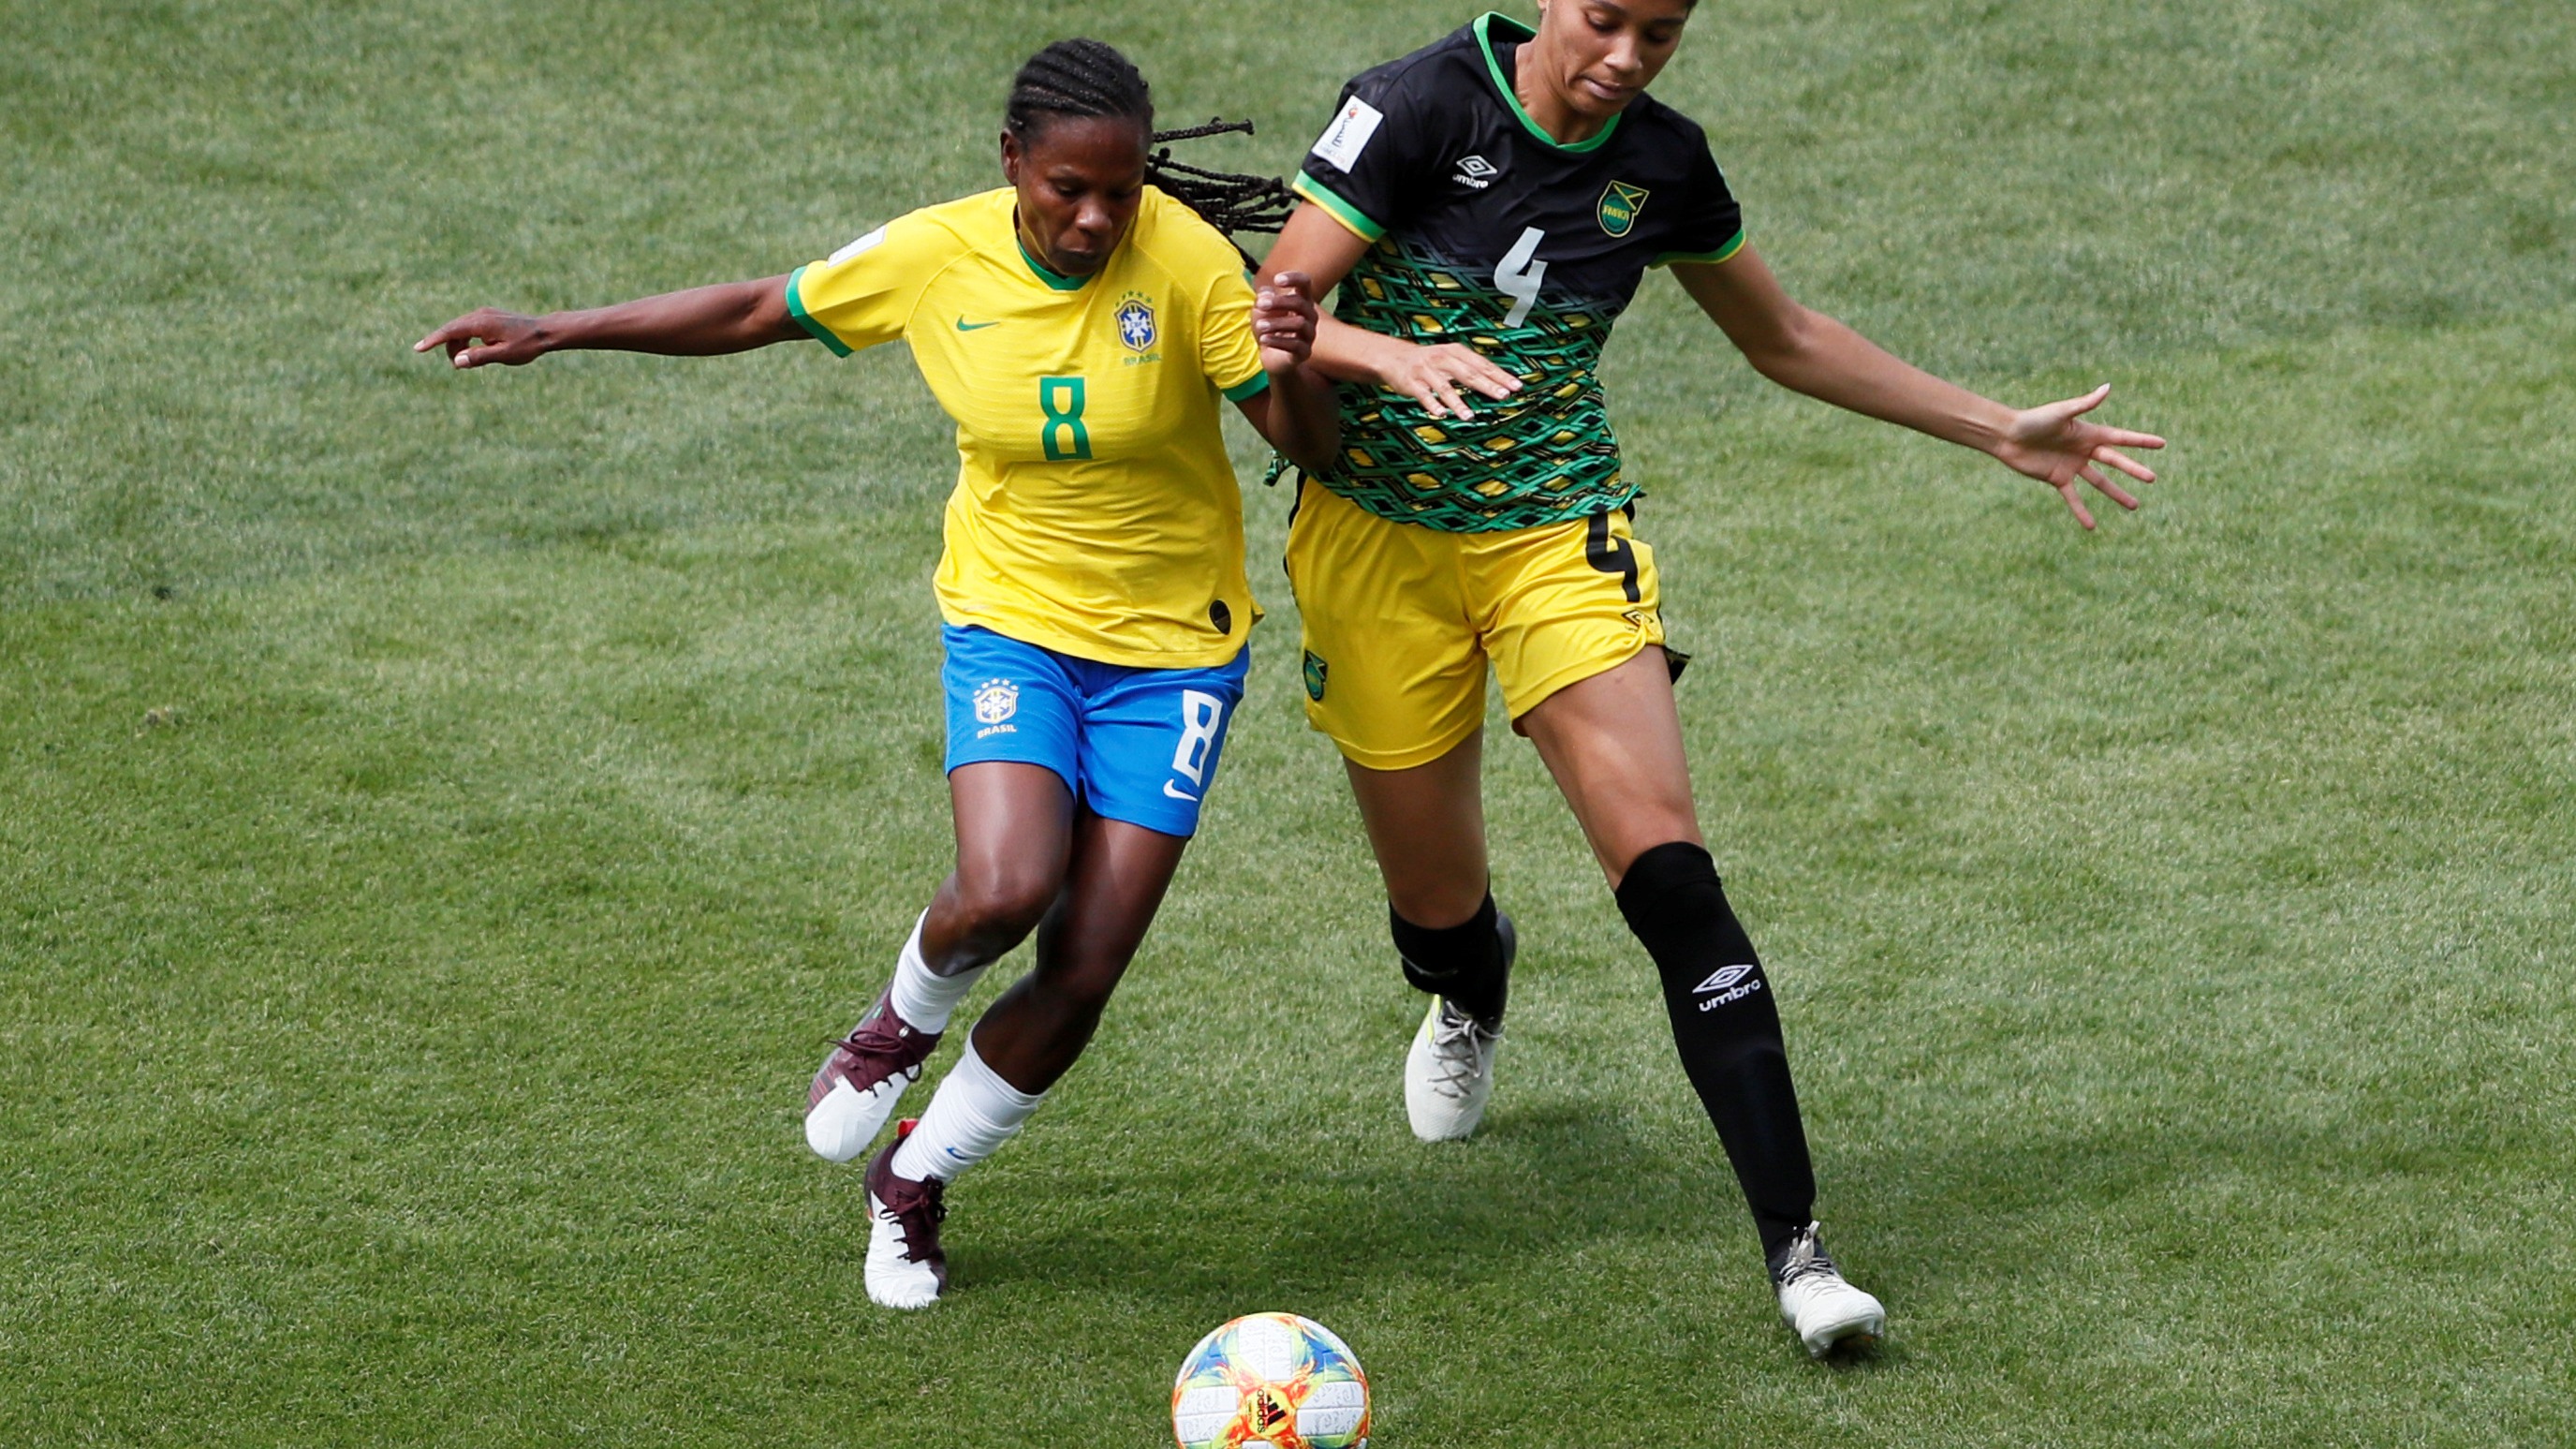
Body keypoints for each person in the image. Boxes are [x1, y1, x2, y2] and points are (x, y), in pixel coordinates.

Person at [1259, 0, 2164, 1356]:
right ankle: (1470, 985)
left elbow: (1784, 338)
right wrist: (1396, 354)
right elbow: (1271, 315)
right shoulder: (1416, 104)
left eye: (1662, 32)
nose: (1627, 55)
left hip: (1558, 531)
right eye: (1608, 21)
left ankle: (1802, 1256)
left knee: (1674, 881)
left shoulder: (1664, 166)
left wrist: (1996, 430)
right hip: (1374, 548)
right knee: (1436, 911)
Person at [416, 39, 1339, 1310]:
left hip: (1176, 650)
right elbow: (758, 309)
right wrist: (554, 332)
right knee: (1007, 884)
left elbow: (1310, 448)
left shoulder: (1185, 261)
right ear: (1011, 161)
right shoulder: (938, 255)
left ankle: (913, 1182)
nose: (1094, 218)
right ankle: (897, 1026)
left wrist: (1287, 364)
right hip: (1012, 618)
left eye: (1118, 193)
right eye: (1069, 187)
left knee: (1084, 967)